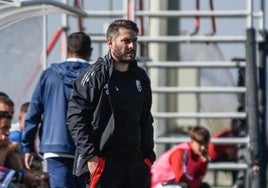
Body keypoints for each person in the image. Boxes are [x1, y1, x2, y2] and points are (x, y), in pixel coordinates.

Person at [67, 19, 156, 188]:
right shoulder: (95, 75)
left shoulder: (141, 78)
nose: (132, 46)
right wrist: (90, 156)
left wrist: (148, 158)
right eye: (126, 41)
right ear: (110, 43)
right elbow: (75, 118)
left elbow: (146, 119)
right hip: (104, 162)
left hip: (135, 164)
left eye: (134, 41)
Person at [22, 31, 93, 188]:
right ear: (90, 52)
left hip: (56, 147)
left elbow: (33, 112)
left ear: (68, 50)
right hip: (88, 148)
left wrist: (27, 146)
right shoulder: (96, 76)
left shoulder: (49, 75)